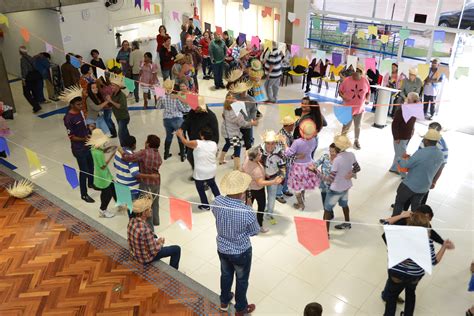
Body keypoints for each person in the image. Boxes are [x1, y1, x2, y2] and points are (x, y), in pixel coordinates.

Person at [383, 212, 454, 316]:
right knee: (411, 294)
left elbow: (385, 223)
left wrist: (402, 216)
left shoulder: (397, 234)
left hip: (396, 273)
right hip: (415, 276)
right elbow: (434, 261)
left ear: (408, 225)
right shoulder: (427, 242)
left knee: (392, 295)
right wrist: (444, 247)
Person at [211, 170, 259, 316]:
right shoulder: (247, 211)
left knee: (225, 274)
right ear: (242, 192)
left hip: (222, 248)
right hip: (241, 252)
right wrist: (249, 208)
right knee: (242, 280)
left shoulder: (217, 201)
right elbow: (254, 231)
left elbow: (214, 213)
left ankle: (224, 301)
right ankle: (240, 309)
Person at [391, 129, 444, 216]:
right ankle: (414, 224)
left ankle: (393, 223)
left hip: (409, 186)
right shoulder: (440, 155)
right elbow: (437, 167)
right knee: (416, 209)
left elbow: (405, 165)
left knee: (399, 203)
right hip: (424, 188)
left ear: (425, 140)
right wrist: (434, 181)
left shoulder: (421, 153)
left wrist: (400, 158)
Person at [400, 121, 448, 211]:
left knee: (420, 200)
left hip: (427, 177)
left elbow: (441, 166)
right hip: (415, 174)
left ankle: (417, 216)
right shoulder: (425, 139)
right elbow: (419, 154)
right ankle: (403, 208)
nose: (428, 134)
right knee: (408, 192)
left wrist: (434, 181)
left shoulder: (443, 148)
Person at [319, 134, 360, 234]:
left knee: (327, 210)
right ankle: (347, 223)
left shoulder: (337, 160)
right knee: (344, 205)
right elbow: (358, 168)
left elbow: (329, 179)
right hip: (346, 187)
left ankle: (326, 233)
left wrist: (316, 172)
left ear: (337, 147)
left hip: (335, 190)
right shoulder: (351, 155)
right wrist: (352, 173)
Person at [61, 86, 95, 203]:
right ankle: (84, 194)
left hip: (87, 144)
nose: (81, 106)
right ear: (72, 105)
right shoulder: (68, 118)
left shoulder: (80, 112)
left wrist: (88, 128)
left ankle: (91, 183)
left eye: (81, 104)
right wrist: (83, 138)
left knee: (91, 166)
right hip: (79, 149)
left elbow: (83, 125)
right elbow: (72, 137)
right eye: (79, 105)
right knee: (84, 171)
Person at [127, 195, 181, 269]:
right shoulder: (145, 230)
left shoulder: (131, 222)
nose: (151, 210)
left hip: (135, 254)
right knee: (176, 249)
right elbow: (153, 251)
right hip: (145, 258)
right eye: (148, 209)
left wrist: (155, 241)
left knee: (154, 236)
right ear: (143, 213)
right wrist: (160, 243)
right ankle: (174, 272)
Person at [121, 135, 162, 229]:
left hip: (146, 182)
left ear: (148, 143)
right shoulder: (158, 155)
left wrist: (121, 152)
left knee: (146, 206)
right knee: (155, 202)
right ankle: (156, 221)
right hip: (156, 182)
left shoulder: (144, 153)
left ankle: (149, 228)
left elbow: (128, 158)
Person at [177, 127, 220, 210]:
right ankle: (220, 203)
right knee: (213, 185)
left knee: (200, 188)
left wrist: (180, 135)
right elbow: (216, 154)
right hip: (212, 169)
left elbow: (185, 143)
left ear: (202, 136)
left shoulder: (197, 143)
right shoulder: (214, 144)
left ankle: (205, 205)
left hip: (201, 171)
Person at [243, 146, 282, 234]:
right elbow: (260, 183)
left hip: (248, 188)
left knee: (248, 207)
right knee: (261, 207)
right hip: (257, 190)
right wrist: (273, 181)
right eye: (259, 154)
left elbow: (247, 151)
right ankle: (259, 225)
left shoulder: (247, 159)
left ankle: (245, 224)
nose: (261, 155)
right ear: (255, 157)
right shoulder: (256, 170)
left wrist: (265, 174)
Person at [282, 119, 319, 210]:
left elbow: (288, 153)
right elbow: (312, 150)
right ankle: (303, 198)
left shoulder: (297, 142)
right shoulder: (314, 140)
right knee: (304, 183)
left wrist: (284, 143)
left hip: (298, 167)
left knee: (296, 187)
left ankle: (300, 203)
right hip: (309, 164)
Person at [179, 98, 219, 174]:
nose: (194, 109)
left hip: (205, 144)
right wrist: (181, 129)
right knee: (190, 157)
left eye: (196, 107)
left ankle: (205, 178)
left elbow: (216, 134)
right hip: (193, 141)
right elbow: (186, 123)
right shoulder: (192, 112)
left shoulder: (211, 116)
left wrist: (214, 146)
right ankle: (196, 170)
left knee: (204, 162)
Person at [220, 92, 258, 170]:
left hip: (225, 131)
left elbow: (223, 116)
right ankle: (236, 167)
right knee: (237, 147)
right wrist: (252, 123)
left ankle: (221, 159)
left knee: (227, 143)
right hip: (232, 133)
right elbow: (243, 124)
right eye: (234, 99)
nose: (236, 99)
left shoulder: (225, 108)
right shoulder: (237, 114)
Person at [87, 129, 117, 218]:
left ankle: (119, 203)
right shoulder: (98, 154)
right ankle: (103, 209)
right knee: (107, 194)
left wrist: (107, 150)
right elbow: (103, 166)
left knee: (113, 187)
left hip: (104, 174)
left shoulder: (93, 148)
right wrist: (112, 155)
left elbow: (101, 151)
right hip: (103, 176)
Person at [339, 65, 371, 150]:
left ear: (361, 73)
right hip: (348, 108)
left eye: (356, 74)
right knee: (345, 127)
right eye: (353, 73)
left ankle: (356, 141)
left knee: (358, 126)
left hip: (360, 109)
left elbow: (368, 92)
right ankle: (341, 142)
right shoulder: (347, 80)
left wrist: (367, 99)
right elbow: (340, 90)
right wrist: (343, 97)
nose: (354, 76)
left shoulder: (365, 81)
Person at [156, 79, 189, 160]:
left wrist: (160, 98)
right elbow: (184, 109)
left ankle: (166, 154)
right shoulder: (175, 97)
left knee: (168, 136)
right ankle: (182, 155)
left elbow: (158, 107)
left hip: (166, 119)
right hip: (177, 119)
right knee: (180, 137)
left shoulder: (162, 97)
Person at [260, 130, 286, 225]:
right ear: (264, 142)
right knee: (260, 197)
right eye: (268, 143)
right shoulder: (259, 150)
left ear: (275, 143)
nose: (270, 146)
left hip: (273, 178)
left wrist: (281, 177)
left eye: (272, 143)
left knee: (271, 197)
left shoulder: (280, 153)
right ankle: (260, 213)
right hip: (260, 178)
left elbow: (283, 166)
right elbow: (252, 159)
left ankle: (269, 213)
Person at [389, 92, 418, 175]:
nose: (417, 102)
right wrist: (396, 137)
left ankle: (394, 168)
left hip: (407, 136)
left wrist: (412, 129)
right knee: (402, 156)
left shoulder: (414, 109)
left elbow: (412, 121)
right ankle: (403, 174)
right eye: (415, 101)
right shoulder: (401, 110)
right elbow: (394, 125)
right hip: (400, 137)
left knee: (399, 154)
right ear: (409, 100)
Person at [113, 135, 141, 208]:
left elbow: (115, 165)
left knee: (128, 205)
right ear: (133, 145)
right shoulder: (132, 157)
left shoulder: (118, 152)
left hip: (120, 183)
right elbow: (134, 173)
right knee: (133, 207)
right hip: (131, 187)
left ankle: (130, 217)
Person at [230, 81, 258, 150]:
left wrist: (252, 119)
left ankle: (248, 155)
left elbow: (254, 110)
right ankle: (235, 153)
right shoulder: (235, 98)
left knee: (248, 143)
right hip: (237, 124)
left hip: (247, 124)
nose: (242, 93)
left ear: (247, 90)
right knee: (235, 142)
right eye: (241, 91)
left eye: (244, 91)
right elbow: (233, 110)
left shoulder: (251, 100)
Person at [276, 115, 296, 203]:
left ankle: (285, 189)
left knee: (287, 176)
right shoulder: (282, 136)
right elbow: (283, 152)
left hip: (288, 161)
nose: (293, 126)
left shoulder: (288, 133)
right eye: (292, 124)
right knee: (282, 177)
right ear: (288, 125)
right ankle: (278, 194)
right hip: (283, 161)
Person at [313, 143, 338, 208]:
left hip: (333, 185)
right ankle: (327, 211)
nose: (331, 153)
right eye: (330, 151)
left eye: (333, 151)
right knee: (324, 200)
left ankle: (329, 212)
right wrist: (314, 167)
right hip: (323, 184)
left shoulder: (339, 161)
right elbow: (316, 164)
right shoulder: (325, 157)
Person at [109, 76, 131, 146]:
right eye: (111, 85)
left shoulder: (122, 96)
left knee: (121, 134)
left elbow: (121, 106)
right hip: (118, 117)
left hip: (124, 118)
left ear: (118, 87)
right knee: (125, 131)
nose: (111, 87)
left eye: (113, 85)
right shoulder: (113, 94)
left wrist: (110, 101)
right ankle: (129, 142)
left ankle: (123, 147)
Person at [19, 46, 42, 113]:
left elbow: (24, 70)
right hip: (35, 77)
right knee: (34, 91)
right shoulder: (30, 57)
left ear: (20, 52)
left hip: (28, 78)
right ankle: (36, 105)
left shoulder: (23, 59)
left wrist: (23, 79)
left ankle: (36, 106)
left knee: (26, 93)